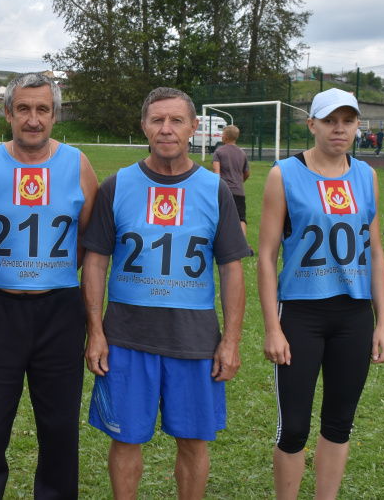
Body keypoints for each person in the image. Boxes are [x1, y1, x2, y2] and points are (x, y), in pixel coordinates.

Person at [82, 86, 248, 500]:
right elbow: (96, 262)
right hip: (126, 338)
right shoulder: (116, 186)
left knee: (193, 444)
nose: (166, 129)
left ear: (194, 127)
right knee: (125, 441)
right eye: (157, 120)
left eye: (176, 120)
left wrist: (231, 341)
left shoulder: (215, 189)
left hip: (194, 341)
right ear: (144, 126)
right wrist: (96, 332)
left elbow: (231, 269)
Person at [0, 73, 98, 499]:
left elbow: (88, 239)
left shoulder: (78, 164)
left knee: (59, 430)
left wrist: (50, 273)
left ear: (55, 115)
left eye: (42, 109)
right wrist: (3, 273)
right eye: (23, 109)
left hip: (60, 312)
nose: (32, 119)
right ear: (7, 114)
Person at [257, 88, 384, 500]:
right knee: (294, 428)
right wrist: (273, 327)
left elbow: (375, 252)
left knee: (339, 423)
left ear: (357, 126)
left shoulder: (366, 175)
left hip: (353, 315)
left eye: (348, 121)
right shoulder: (284, 173)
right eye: (330, 120)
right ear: (311, 124)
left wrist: (382, 323)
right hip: (301, 314)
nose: (339, 129)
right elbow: (266, 256)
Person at [211, 124, 250, 236]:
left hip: (224, 191)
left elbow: (216, 172)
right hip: (238, 191)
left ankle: (222, 240)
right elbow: (247, 173)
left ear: (226, 137)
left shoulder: (219, 152)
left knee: (221, 217)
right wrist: (240, 182)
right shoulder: (242, 153)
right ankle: (243, 243)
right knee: (241, 218)